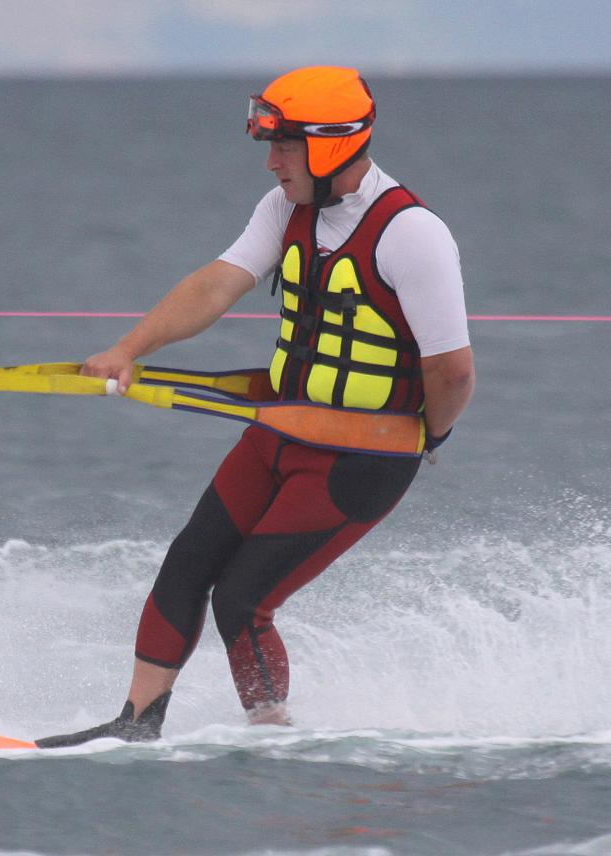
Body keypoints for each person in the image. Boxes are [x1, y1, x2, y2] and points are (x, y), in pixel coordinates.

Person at [35, 66, 474, 748]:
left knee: (243, 601)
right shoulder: (285, 211)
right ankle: (136, 725)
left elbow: (453, 371)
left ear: (330, 145)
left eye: (284, 147)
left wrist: (432, 438)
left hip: (361, 459)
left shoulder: (412, 235)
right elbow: (214, 286)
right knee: (187, 563)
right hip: (276, 434)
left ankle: (274, 740)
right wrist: (129, 348)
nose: (271, 163)